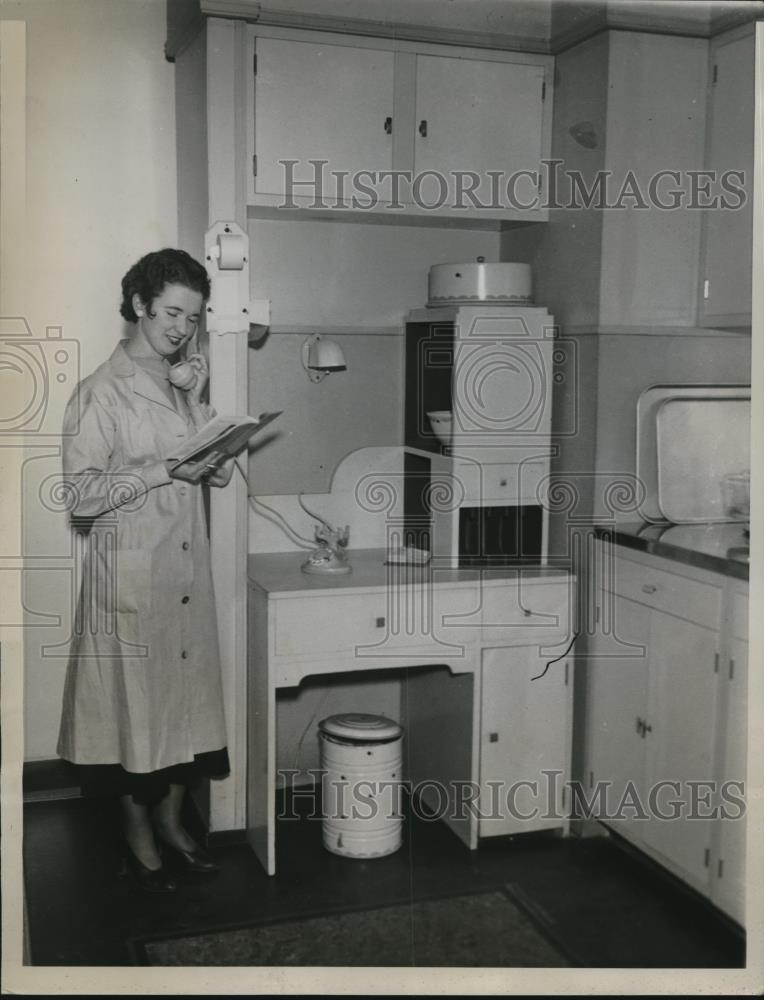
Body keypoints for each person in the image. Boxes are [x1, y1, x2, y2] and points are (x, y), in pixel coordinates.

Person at [58, 248, 233, 893]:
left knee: (183, 715)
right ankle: (137, 838)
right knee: (137, 721)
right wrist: (164, 470)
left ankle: (171, 824)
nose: (182, 329)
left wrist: (210, 431)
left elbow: (206, 464)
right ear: (137, 305)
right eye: (170, 313)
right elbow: (78, 497)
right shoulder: (100, 393)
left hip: (183, 576)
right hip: (130, 579)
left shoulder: (180, 382)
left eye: (193, 316)